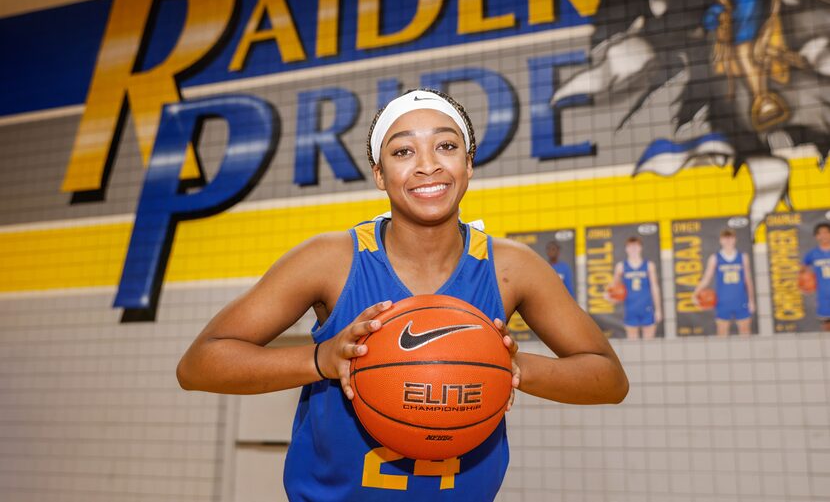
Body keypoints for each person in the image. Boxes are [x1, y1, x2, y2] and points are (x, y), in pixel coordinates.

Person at [175, 88, 628, 501]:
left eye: (446, 146)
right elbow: (199, 365)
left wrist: (513, 367)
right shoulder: (330, 260)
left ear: (468, 163)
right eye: (403, 150)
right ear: (379, 173)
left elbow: (609, 379)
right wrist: (319, 360)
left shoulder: (511, 267)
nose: (427, 164)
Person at [693, 228, 756, 336]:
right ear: (721, 240)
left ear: (735, 239)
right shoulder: (715, 258)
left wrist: (751, 300)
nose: (728, 241)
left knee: (746, 334)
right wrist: (695, 293)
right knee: (722, 334)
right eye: (725, 238)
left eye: (730, 238)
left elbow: (748, 280)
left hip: (741, 299)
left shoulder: (743, 257)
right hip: (722, 301)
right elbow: (706, 279)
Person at [608, 236, 663, 339]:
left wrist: (658, 310)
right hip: (631, 309)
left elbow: (655, 288)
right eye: (630, 246)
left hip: (647, 308)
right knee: (632, 345)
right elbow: (613, 287)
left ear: (640, 248)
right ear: (626, 249)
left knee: (649, 344)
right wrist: (609, 296)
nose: (633, 249)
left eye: (636, 246)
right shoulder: (621, 266)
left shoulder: (649, 265)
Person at [801, 222, 830, 331]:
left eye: (827, 232)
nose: (824, 235)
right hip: (823, 296)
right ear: (816, 236)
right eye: (820, 233)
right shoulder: (812, 254)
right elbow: (802, 269)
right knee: (827, 327)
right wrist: (805, 281)